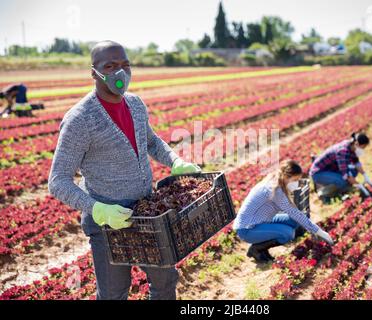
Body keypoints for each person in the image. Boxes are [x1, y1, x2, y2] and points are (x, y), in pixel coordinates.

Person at [48, 40, 201, 300]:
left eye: (125, 65)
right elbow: (58, 180)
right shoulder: (80, 119)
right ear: (94, 72)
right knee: (113, 294)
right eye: (110, 66)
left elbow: (151, 140)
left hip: (146, 215)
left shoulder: (135, 104)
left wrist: (174, 160)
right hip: (108, 225)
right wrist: (98, 209)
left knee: (165, 282)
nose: (120, 73)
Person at [233, 160, 334, 263]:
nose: (297, 182)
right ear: (286, 176)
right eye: (295, 179)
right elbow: (294, 212)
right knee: (288, 233)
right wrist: (319, 231)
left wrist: (311, 227)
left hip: (261, 220)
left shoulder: (276, 180)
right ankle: (256, 249)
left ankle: (261, 245)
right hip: (247, 228)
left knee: (294, 221)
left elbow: (294, 212)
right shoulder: (275, 189)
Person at [309, 132, 372, 203]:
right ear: (356, 144)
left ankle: (341, 186)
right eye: (363, 147)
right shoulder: (342, 151)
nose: (363, 150)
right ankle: (323, 193)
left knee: (354, 171)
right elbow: (346, 175)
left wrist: (365, 175)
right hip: (318, 173)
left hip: (331, 170)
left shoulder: (351, 146)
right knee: (342, 181)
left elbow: (356, 162)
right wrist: (360, 186)